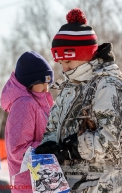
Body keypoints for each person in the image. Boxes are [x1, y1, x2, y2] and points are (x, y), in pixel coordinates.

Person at [35, 8, 122, 192]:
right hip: (67, 185)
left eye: (68, 62)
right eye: (61, 64)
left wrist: (72, 148)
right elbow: (52, 127)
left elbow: (112, 142)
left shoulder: (107, 85)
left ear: (84, 56)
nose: (64, 69)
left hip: (101, 185)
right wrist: (48, 148)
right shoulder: (69, 87)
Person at [0, 51, 54, 193]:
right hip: (29, 184)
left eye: (48, 82)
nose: (46, 87)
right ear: (30, 82)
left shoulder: (39, 102)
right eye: (41, 82)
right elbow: (18, 149)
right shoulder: (24, 104)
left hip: (42, 178)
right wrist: (50, 148)